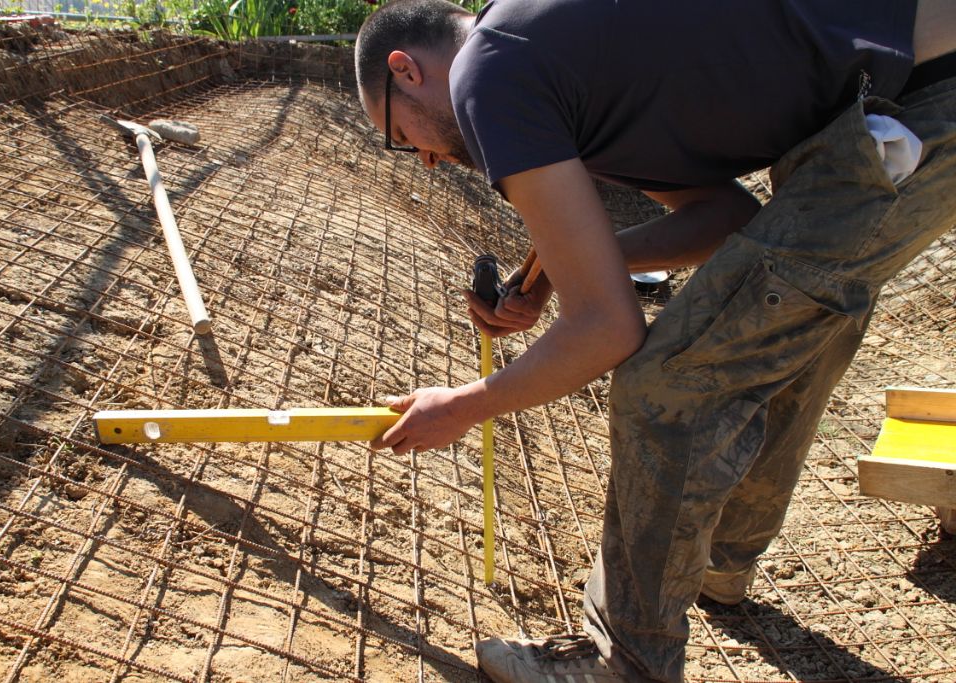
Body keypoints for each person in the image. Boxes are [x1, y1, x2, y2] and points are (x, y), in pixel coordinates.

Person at [355, 0, 956, 681]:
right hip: (895, 95)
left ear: (405, 70)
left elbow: (610, 328)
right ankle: (722, 561)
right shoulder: (558, 54)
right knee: (789, 319)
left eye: (401, 137)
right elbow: (728, 216)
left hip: (912, 98)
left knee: (665, 379)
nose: (427, 161)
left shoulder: (488, 72)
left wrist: (463, 406)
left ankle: (623, 660)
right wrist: (565, 264)